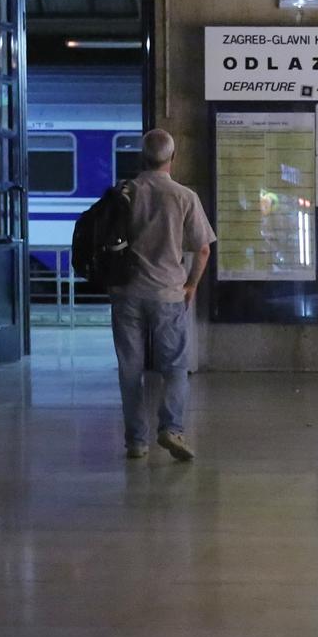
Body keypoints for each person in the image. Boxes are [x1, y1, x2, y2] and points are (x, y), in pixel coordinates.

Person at [112, 128, 216, 462]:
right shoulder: (184, 197)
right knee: (174, 366)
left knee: (130, 369)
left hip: (126, 292)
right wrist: (191, 285)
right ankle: (171, 429)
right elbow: (202, 250)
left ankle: (136, 442)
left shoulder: (124, 193)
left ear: (142, 158)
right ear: (172, 159)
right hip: (168, 294)